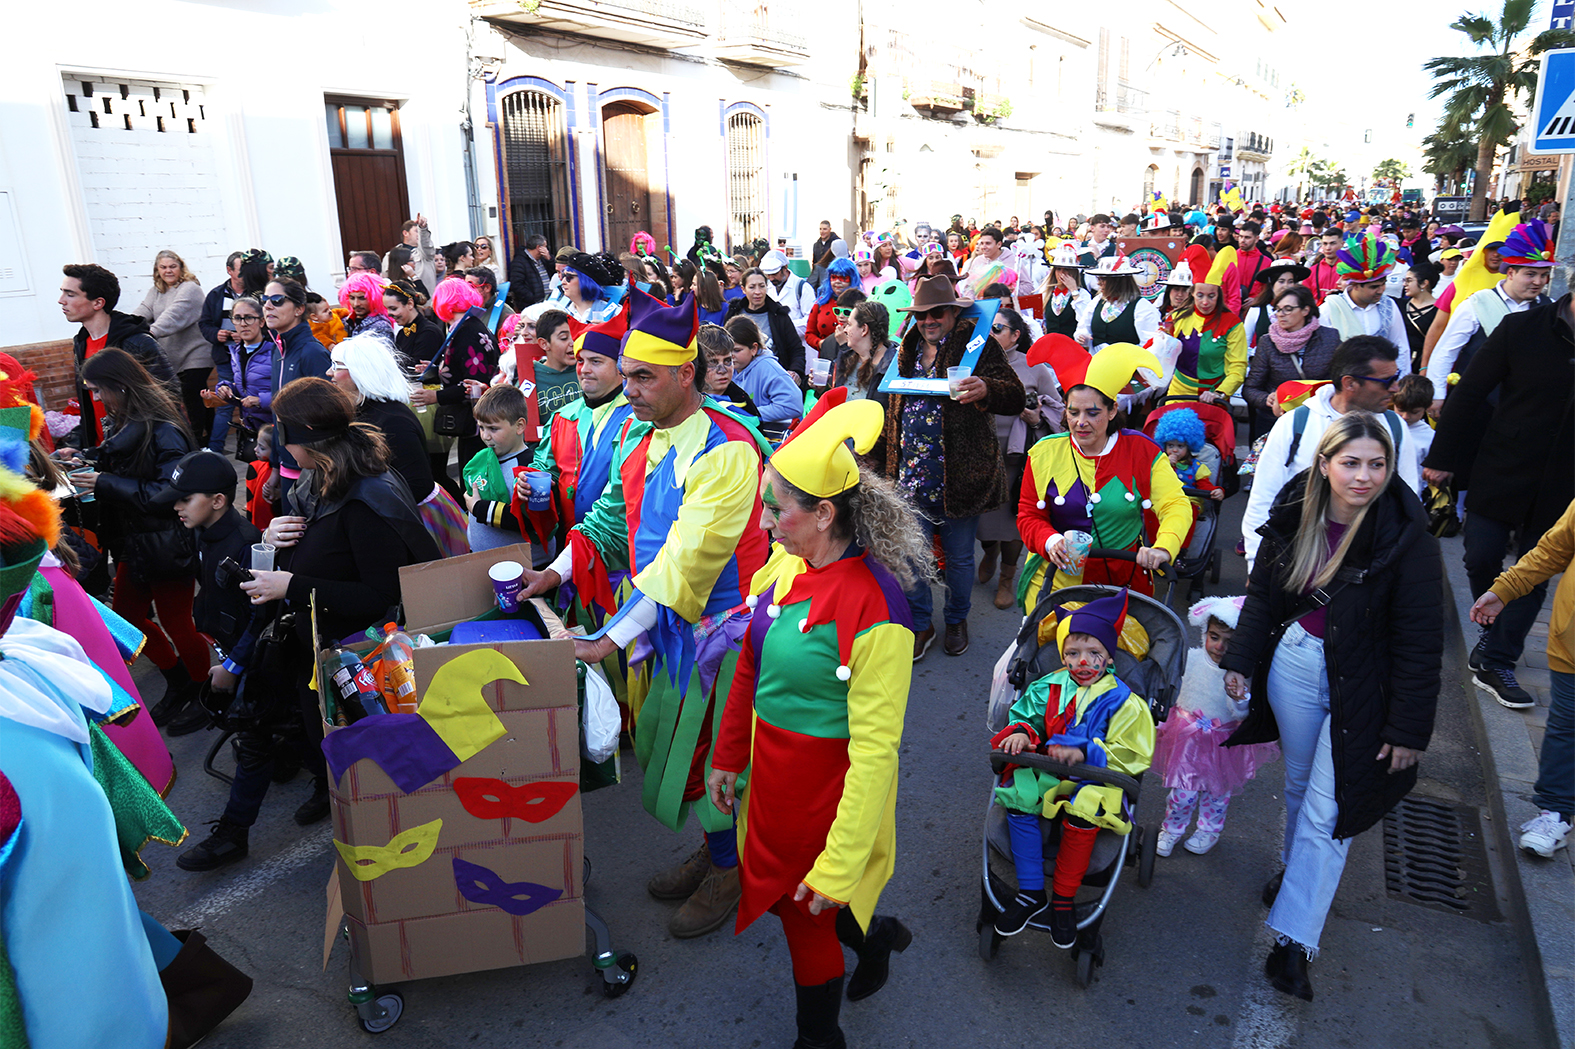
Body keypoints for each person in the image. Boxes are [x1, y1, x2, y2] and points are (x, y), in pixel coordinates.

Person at [522, 291, 770, 940]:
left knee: (708, 757)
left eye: (642, 376)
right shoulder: (642, 431)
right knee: (672, 753)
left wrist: (606, 637)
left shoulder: (728, 449)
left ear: (685, 374)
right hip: (659, 621)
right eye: (625, 373)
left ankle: (730, 868)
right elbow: (606, 517)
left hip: (720, 634)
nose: (626, 388)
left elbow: (686, 563)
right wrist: (553, 572)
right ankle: (721, 851)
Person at [708, 397, 927, 1049]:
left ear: (824, 513)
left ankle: (818, 1037)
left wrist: (839, 861)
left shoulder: (878, 609)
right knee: (788, 899)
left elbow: (875, 753)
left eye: (776, 507)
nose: (764, 519)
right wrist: (726, 756)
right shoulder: (783, 567)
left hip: (825, 798)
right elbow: (748, 663)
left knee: (808, 914)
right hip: (771, 785)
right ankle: (875, 932)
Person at [1222, 412, 1441, 1002]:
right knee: (1300, 787)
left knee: (1329, 807)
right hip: (1293, 665)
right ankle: (1298, 876)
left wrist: (1409, 727)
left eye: (1377, 464)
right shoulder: (1297, 513)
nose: (1364, 476)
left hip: (1366, 683)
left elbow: (1422, 641)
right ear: (1325, 464)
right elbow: (1264, 598)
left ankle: (1295, 943)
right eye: (1352, 463)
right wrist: (1240, 661)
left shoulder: (1407, 536)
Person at [220, 378, 440, 845]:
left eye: (283, 430)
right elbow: (317, 546)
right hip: (317, 649)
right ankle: (330, 791)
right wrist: (273, 538)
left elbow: (380, 596)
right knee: (323, 745)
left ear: (304, 438)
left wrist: (291, 585)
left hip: (360, 665)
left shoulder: (365, 497)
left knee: (373, 774)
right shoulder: (323, 477)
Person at [1424, 265, 1575, 710]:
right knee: (1482, 554)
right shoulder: (1521, 328)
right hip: (1503, 465)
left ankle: (1497, 658)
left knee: (1536, 567)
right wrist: (1441, 458)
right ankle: (1494, 620)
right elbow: (1469, 393)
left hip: (1564, 481)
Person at [869, 276, 1026, 659]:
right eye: (921, 315)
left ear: (954, 313)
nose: (928, 321)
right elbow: (890, 408)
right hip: (910, 477)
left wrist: (987, 388)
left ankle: (957, 618)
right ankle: (922, 623)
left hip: (958, 478)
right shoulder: (904, 349)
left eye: (937, 312)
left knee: (957, 558)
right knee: (911, 556)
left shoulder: (978, 346)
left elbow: (1016, 395)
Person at [989, 590, 1155, 943]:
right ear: (1062, 657)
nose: (1083, 662)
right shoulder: (1047, 687)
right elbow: (1027, 716)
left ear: (1110, 658)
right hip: (1047, 765)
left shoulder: (1125, 702)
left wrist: (1086, 753)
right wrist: (1021, 733)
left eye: (1094, 653)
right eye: (1072, 653)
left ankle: (1064, 897)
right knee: (1022, 788)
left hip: (1096, 776)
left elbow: (1131, 752)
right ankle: (1032, 891)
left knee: (1088, 804)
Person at [66, 348, 207, 728]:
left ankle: (204, 692)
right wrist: (85, 457)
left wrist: (104, 481)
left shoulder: (164, 426)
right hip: (137, 541)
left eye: (98, 390)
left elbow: (167, 492)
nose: (95, 399)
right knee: (126, 620)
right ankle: (178, 680)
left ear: (121, 386)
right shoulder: (129, 418)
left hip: (166, 541)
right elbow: (124, 460)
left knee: (178, 623)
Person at [1015, 339, 1191, 607]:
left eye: (1092, 412)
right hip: (1054, 583)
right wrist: (1050, 541)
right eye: (1073, 412)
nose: (1080, 422)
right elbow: (1028, 514)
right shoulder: (1044, 452)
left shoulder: (1141, 450)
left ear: (1112, 411)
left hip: (1121, 584)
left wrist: (1163, 547)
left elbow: (1175, 505)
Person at [1242, 336, 1418, 570]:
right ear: (1350, 383)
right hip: (1297, 563)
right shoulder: (1295, 423)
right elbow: (1263, 498)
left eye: (1397, 378)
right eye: (1387, 381)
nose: (1396, 389)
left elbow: (1408, 503)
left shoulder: (1396, 428)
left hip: (1369, 566)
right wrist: (1256, 564)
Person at [1470, 499, 1575, 857]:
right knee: (1566, 726)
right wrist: (1504, 589)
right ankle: (1555, 814)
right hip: (1572, 642)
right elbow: (1553, 549)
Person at [146, 450, 262, 743]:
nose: (176, 507)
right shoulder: (202, 531)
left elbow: (260, 618)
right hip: (227, 645)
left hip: (248, 657)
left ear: (218, 501)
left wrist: (233, 666)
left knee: (255, 734)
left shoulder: (245, 544)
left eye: (185, 499)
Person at [1153, 595, 1278, 856]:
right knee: (1182, 794)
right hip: (1186, 738)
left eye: (1230, 642)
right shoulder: (1191, 659)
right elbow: (1175, 688)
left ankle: (1209, 830)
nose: (1220, 646)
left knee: (1216, 793)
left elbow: (1242, 712)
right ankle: (1172, 829)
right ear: (1204, 633)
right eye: (1214, 637)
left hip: (1222, 743)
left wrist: (1240, 699)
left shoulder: (1241, 673)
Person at [519, 308, 638, 579]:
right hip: (568, 554)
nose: (583, 370)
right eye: (580, 360)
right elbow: (544, 466)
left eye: (595, 361)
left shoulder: (638, 418)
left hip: (621, 560)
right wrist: (530, 481)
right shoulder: (564, 416)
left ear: (621, 367)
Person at [330, 332, 468, 558]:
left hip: (416, 524)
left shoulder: (393, 420)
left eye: (336, 366)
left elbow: (416, 484)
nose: (330, 373)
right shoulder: (365, 412)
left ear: (360, 371)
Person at [976, 307, 1061, 610]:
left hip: (1018, 459)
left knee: (1012, 523)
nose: (991, 334)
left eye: (998, 329)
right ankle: (989, 552)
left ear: (1015, 335)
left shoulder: (1035, 368)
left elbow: (1059, 411)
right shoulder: (975, 362)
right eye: (988, 328)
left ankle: (1006, 580)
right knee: (984, 525)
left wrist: (1037, 418)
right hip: (981, 456)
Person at [1424, 219, 1553, 407]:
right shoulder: (1477, 304)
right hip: (1477, 403)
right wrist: (1438, 395)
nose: (1538, 282)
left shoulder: (1550, 308)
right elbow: (1446, 350)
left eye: (1544, 275)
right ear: (1510, 273)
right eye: (1530, 274)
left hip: (1523, 405)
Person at [61, 263, 175, 447]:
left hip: (138, 453)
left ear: (98, 303)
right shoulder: (80, 343)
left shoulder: (136, 342)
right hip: (104, 452)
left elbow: (170, 399)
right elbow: (89, 406)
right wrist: (77, 446)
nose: (61, 300)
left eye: (70, 294)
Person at [412, 277, 498, 469]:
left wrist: (436, 396)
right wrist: (435, 370)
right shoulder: (471, 324)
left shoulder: (466, 332)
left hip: (476, 424)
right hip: (477, 422)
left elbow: (474, 384)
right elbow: (462, 369)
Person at [261, 280, 332, 509]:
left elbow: (327, 419)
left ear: (299, 309)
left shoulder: (312, 352)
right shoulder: (277, 349)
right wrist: (274, 468)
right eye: (265, 300)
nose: (268, 306)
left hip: (311, 471)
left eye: (277, 300)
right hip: (285, 467)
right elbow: (277, 415)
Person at [133, 250, 212, 447]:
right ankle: (206, 433)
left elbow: (174, 315)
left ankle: (199, 440)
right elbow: (143, 311)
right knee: (196, 396)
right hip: (173, 353)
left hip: (196, 352)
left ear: (181, 267)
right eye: (163, 267)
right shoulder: (157, 291)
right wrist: (126, 327)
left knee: (192, 392)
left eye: (172, 266)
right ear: (157, 270)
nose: (168, 271)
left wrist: (150, 333)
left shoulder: (190, 288)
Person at [1242, 285, 1340, 423]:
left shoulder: (1330, 338)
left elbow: (1340, 381)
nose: (1281, 314)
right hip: (1278, 418)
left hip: (1319, 417)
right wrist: (1266, 399)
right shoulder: (1267, 342)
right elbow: (1251, 388)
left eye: (1288, 309)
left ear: (1306, 310)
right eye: (1278, 309)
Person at [461, 384, 534, 554]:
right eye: (481, 427)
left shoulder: (530, 467)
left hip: (524, 565)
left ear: (519, 426)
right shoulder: (482, 459)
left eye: (493, 428)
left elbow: (529, 519)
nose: (486, 436)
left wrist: (478, 508)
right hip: (482, 559)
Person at [1320, 234, 1409, 372]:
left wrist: (1400, 380)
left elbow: (1400, 346)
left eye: (1383, 284)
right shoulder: (1330, 308)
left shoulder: (1389, 305)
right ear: (1355, 286)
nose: (1381, 290)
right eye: (1374, 287)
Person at [1167, 253, 1246, 404]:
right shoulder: (1177, 317)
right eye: (1200, 295)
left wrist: (1220, 393)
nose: (1205, 302)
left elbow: (1238, 366)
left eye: (1211, 296)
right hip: (1178, 392)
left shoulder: (1232, 324)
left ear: (1219, 295)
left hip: (1213, 395)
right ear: (1192, 294)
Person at [197, 250, 249, 451]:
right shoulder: (217, 295)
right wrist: (216, 334)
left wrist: (245, 335)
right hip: (225, 356)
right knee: (224, 402)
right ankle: (215, 449)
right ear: (230, 270)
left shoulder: (255, 293)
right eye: (241, 269)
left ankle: (253, 445)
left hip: (250, 356)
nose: (246, 274)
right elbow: (204, 324)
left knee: (251, 400)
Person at [725, 267, 807, 382]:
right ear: (743, 289)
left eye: (762, 286)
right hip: (739, 378)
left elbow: (796, 349)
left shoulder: (779, 315)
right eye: (752, 287)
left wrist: (795, 371)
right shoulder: (734, 313)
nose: (758, 292)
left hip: (772, 379)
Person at [726, 316, 801, 441]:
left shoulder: (769, 368)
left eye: (737, 350)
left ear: (754, 348)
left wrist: (748, 413)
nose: (731, 356)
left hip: (770, 438)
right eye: (727, 351)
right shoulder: (730, 366)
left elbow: (793, 406)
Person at [1075, 254, 1160, 354]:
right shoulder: (1097, 301)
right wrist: (1082, 337)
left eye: (1103, 279)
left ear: (1117, 281)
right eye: (1098, 278)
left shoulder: (1142, 307)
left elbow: (1150, 344)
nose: (1098, 283)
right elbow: (1083, 328)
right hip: (1097, 364)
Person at [829, 300, 896, 402]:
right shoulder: (847, 357)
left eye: (849, 324)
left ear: (864, 329)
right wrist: (821, 389)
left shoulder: (892, 367)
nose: (845, 330)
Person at [1241, 259, 1312, 353]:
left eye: (1290, 281)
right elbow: (1244, 342)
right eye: (1281, 281)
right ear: (1272, 283)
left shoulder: (1302, 309)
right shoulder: (1257, 309)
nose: (1286, 286)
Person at [1155, 408, 1223, 502]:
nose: (1175, 450)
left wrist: (1215, 491)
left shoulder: (1196, 467)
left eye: (1180, 446)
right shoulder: (1159, 462)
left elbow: (1204, 486)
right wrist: (1165, 464)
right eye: (1170, 445)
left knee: (1187, 511)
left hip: (1188, 500)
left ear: (1189, 447)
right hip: (1163, 499)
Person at [530, 308, 582, 421]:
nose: (572, 343)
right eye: (564, 338)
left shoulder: (586, 369)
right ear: (544, 344)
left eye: (574, 335)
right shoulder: (530, 378)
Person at [699, 324, 760, 417]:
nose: (722, 370)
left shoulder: (742, 403)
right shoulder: (684, 400)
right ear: (698, 364)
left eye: (727, 361)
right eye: (713, 362)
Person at [385, 278, 443, 372]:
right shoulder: (402, 334)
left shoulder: (428, 333)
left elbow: (416, 371)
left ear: (410, 304)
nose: (389, 314)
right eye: (387, 309)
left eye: (393, 308)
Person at [1388, 375, 1434, 494]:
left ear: (1426, 408)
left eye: (1414, 412)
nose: (1405, 417)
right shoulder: (1385, 423)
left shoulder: (1429, 436)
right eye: (1400, 410)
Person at [550, 250, 624, 323]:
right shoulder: (560, 313)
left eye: (569, 277)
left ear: (585, 281)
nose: (563, 282)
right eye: (564, 276)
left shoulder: (615, 313)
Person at [1038, 243, 1091, 339]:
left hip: (1071, 345)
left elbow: (1085, 320)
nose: (1061, 273)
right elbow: (1041, 319)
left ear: (1073, 271)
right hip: (1050, 344)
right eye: (1058, 269)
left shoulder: (1083, 294)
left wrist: (1074, 291)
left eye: (1066, 269)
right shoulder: (1047, 292)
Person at [806, 259, 858, 352]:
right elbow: (809, 334)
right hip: (826, 358)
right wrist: (821, 344)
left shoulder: (860, 304)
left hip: (853, 357)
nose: (837, 282)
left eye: (843, 278)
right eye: (833, 277)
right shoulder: (820, 303)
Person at [1221, 220, 1272, 315]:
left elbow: (1268, 289)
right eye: (1240, 236)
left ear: (1257, 239)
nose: (1242, 240)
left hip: (1254, 310)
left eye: (1247, 237)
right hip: (1229, 310)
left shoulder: (1266, 262)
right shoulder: (1229, 257)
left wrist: (1257, 299)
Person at [1399, 260, 1441, 375]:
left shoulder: (1440, 311)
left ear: (1424, 283)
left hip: (1424, 365)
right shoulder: (1398, 305)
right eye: (1404, 281)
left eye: (1409, 281)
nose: (1404, 284)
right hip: (1398, 362)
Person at [760, 250, 814, 335]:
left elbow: (810, 320)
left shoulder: (802, 288)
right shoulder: (768, 287)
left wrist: (784, 326)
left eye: (774, 274)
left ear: (785, 268)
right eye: (768, 275)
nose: (771, 278)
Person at [383, 216, 436, 293]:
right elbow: (385, 278)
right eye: (417, 231)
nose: (419, 234)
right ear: (405, 233)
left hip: (424, 301)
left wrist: (423, 229)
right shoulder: (389, 255)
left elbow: (426, 245)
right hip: (399, 300)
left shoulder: (425, 254)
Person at [337, 271, 395, 341]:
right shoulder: (344, 322)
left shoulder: (381, 326)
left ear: (376, 298)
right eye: (352, 298)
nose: (356, 303)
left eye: (362, 298)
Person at [507, 232, 554, 309]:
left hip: (550, 302)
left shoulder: (544, 259)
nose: (547, 249)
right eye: (545, 246)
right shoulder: (519, 262)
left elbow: (556, 273)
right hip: (533, 306)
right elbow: (517, 286)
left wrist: (549, 259)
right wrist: (534, 298)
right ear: (539, 247)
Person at [1303, 230, 1344, 304]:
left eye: (1332, 243)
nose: (1328, 248)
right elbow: (1304, 297)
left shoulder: (1351, 269)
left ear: (1342, 244)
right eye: (1325, 244)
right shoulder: (1312, 271)